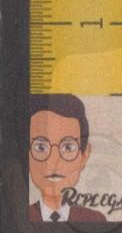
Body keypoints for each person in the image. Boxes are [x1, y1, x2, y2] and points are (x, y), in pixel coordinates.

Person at [28, 94, 106, 222]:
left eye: (68, 148)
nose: (53, 161)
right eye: (41, 147)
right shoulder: (18, 218)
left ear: (84, 156)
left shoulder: (94, 220)